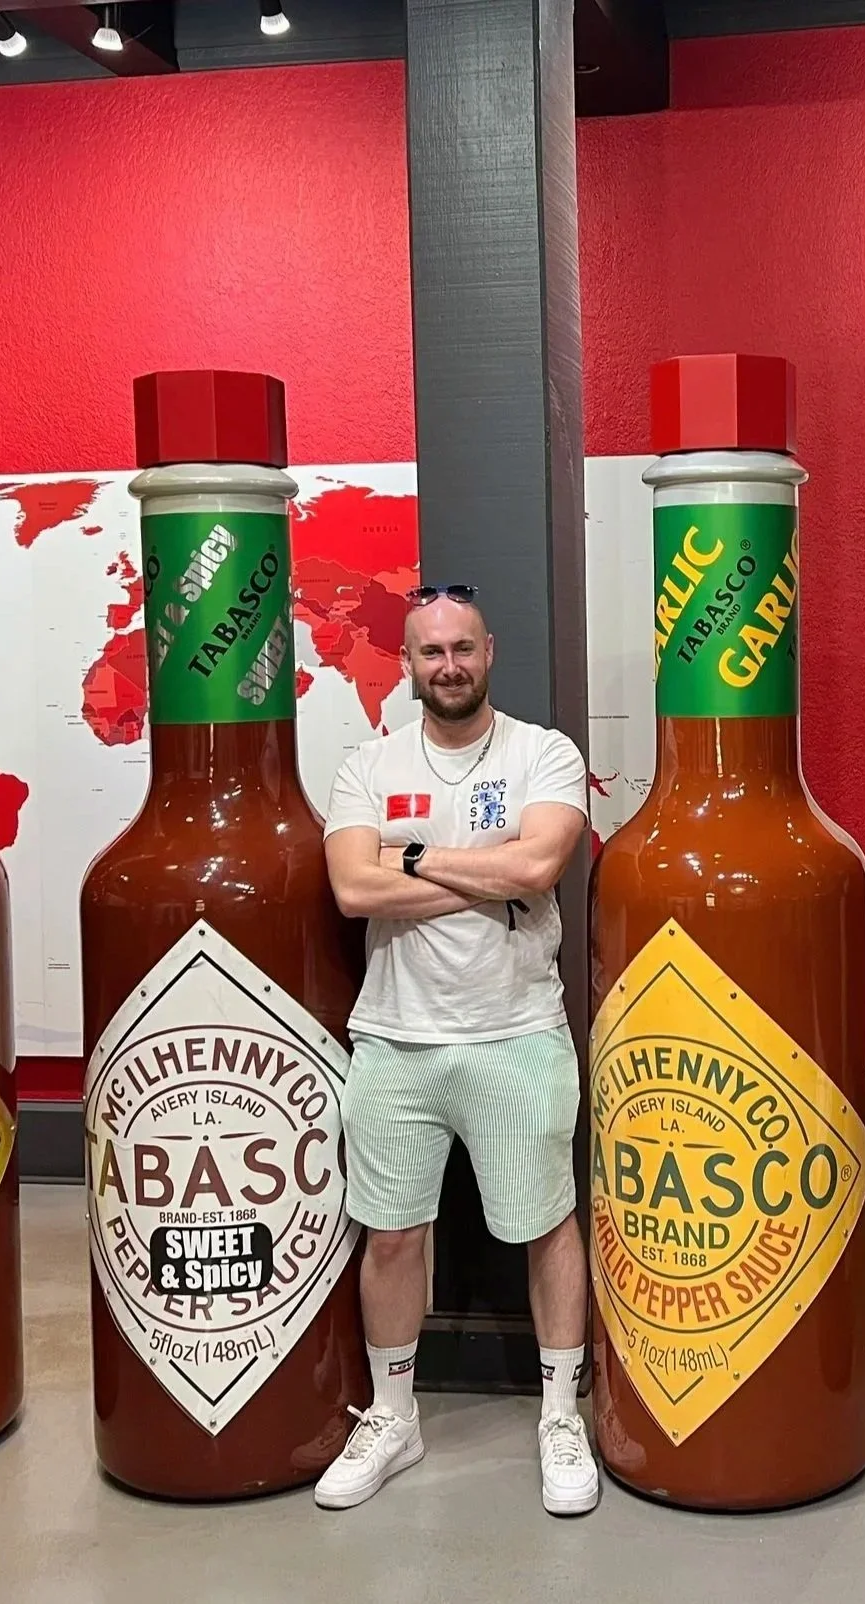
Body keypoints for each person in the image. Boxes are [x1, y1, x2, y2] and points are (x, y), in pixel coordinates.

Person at [315, 584, 598, 1517]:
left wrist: (409, 858)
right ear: (405, 662)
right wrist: (479, 869)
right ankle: (393, 1417)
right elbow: (352, 892)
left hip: (518, 1034)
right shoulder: (367, 764)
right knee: (391, 1235)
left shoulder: (541, 753)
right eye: (429, 651)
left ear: (490, 651)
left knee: (547, 1225)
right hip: (394, 1041)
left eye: (463, 649)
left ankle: (561, 1415)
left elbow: (536, 867)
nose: (448, 666)